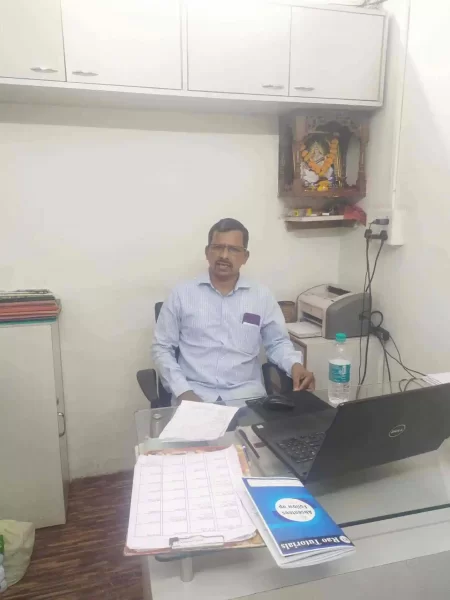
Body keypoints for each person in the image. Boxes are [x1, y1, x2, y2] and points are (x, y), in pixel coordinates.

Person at [152, 218, 315, 403]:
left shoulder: (261, 296)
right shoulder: (181, 295)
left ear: (245, 256)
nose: (224, 255)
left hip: (247, 397)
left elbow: (277, 342)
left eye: (233, 249)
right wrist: (182, 391)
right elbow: (162, 348)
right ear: (207, 252)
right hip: (193, 394)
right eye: (217, 247)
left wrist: (294, 365)